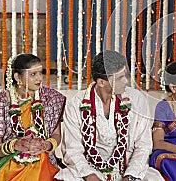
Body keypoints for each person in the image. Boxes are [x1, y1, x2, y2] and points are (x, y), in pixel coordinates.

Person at [55, 50, 163, 181]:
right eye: (119, 78)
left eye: (126, 76)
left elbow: (144, 145)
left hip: (128, 168)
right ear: (101, 82)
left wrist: (130, 176)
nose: (126, 81)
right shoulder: (77, 103)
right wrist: (90, 176)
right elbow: (72, 149)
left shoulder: (137, 99)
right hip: (89, 170)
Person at [0, 53, 66, 180]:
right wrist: (15, 145)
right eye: (33, 74)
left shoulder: (51, 98)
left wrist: (46, 145)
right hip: (10, 165)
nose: (39, 78)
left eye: (40, 73)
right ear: (17, 77)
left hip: (44, 160)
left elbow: (56, 135)